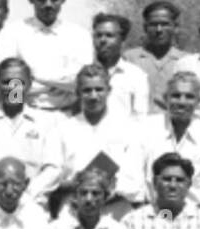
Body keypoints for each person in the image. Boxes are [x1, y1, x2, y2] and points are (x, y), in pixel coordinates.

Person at [0, 58, 62, 209]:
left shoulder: (46, 122)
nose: (12, 88)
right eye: (6, 82)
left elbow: (53, 169)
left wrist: (24, 198)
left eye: (18, 82)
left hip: (32, 207)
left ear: (28, 84)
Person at [0, 0, 92, 113]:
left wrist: (34, 77)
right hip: (24, 113)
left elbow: (82, 82)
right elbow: (9, 84)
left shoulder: (79, 35)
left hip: (69, 115)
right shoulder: (11, 33)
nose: (48, 4)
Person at [57, 64, 143, 202]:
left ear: (109, 90)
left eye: (99, 89)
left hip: (115, 208)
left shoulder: (128, 128)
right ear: (78, 93)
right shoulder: (62, 129)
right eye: (87, 90)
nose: (93, 96)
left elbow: (134, 180)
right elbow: (56, 176)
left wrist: (103, 189)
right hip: (73, 207)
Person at [134, 72, 200, 207]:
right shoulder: (145, 129)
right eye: (176, 96)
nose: (182, 102)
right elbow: (133, 178)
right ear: (166, 98)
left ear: (198, 101)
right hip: (154, 212)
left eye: (189, 97)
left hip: (196, 214)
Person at [123, 1, 188, 113]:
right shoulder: (129, 59)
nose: (159, 30)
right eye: (153, 24)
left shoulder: (185, 61)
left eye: (164, 24)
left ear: (175, 27)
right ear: (145, 27)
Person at [91, 13, 149, 121]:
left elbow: (140, 118)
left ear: (122, 40)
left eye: (109, 35)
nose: (103, 40)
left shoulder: (136, 76)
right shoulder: (81, 73)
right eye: (98, 35)